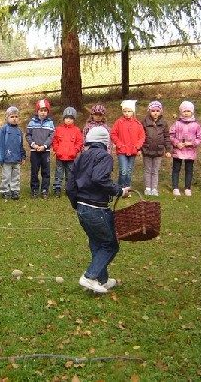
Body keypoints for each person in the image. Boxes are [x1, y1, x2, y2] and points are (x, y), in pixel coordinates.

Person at [66, 126, 130, 294]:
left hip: (82, 208)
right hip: (96, 209)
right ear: (105, 142)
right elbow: (99, 178)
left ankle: (101, 280)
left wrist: (78, 204)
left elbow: (70, 185)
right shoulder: (105, 156)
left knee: (97, 244)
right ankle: (90, 276)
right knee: (110, 245)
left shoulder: (81, 157)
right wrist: (119, 191)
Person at [169, 101, 201, 196]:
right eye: (184, 111)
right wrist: (176, 143)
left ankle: (187, 188)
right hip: (178, 150)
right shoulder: (177, 123)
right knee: (176, 169)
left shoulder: (196, 125)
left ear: (192, 112)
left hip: (190, 151)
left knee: (189, 170)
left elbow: (200, 137)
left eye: (188, 111)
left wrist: (192, 143)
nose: (186, 113)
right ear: (181, 112)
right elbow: (171, 135)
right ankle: (175, 187)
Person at [111, 100, 145, 189]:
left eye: (129, 111)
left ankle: (127, 188)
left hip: (133, 150)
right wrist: (119, 144)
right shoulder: (119, 122)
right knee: (123, 171)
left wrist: (137, 147)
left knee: (129, 171)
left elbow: (142, 137)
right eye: (125, 111)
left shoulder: (137, 124)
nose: (127, 113)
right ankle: (120, 188)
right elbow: (113, 134)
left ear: (133, 111)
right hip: (122, 150)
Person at [0, 106, 26, 200]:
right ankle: (5, 190)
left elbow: (20, 144)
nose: (14, 119)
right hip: (6, 158)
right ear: (7, 117)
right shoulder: (4, 129)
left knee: (16, 175)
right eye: (12, 117)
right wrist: (0, 157)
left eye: (16, 117)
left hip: (16, 158)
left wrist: (23, 156)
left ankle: (15, 190)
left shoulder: (19, 131)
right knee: (6, 176)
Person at [141, 101, 171, 197]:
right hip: (147, 150)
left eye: (157, 111)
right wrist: (140, 148)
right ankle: (147, 188)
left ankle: (154, 188)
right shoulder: (144, 122)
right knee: (147, 170)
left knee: (155, 170)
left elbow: (166, 137)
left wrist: (168, 149)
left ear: (160, 111)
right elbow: (141, 136)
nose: (155, 113)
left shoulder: (164, 123)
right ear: (149, 111)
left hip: (159, 151)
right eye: (153, 111)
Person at [26, 99, 55, 199]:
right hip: (34, 151)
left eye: (45, 110)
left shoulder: (50, 123)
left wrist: (45, 146)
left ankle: (44, 190)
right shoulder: (32, 122)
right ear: (37, 111)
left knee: (46, 172)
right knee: (34, 171)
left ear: (48, 112)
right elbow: (28, 135)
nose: (43, 113)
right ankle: (34, 189)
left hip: (45, 151)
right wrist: (33, 145)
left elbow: (51, 136)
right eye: (41, 110)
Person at [52, 107, 83, 197]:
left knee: (70, 174)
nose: (68, 120)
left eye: (71, 118)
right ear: (63, 118)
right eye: (66, 118)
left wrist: (75, 150)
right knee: (58, 173)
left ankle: (69, 189)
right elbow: (55, 141)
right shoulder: (58, 129)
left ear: (74, 119)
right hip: (60, 156)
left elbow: (79, 142)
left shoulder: (76, 130)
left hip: (71, 157)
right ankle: (57, 188)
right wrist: (56, 149)